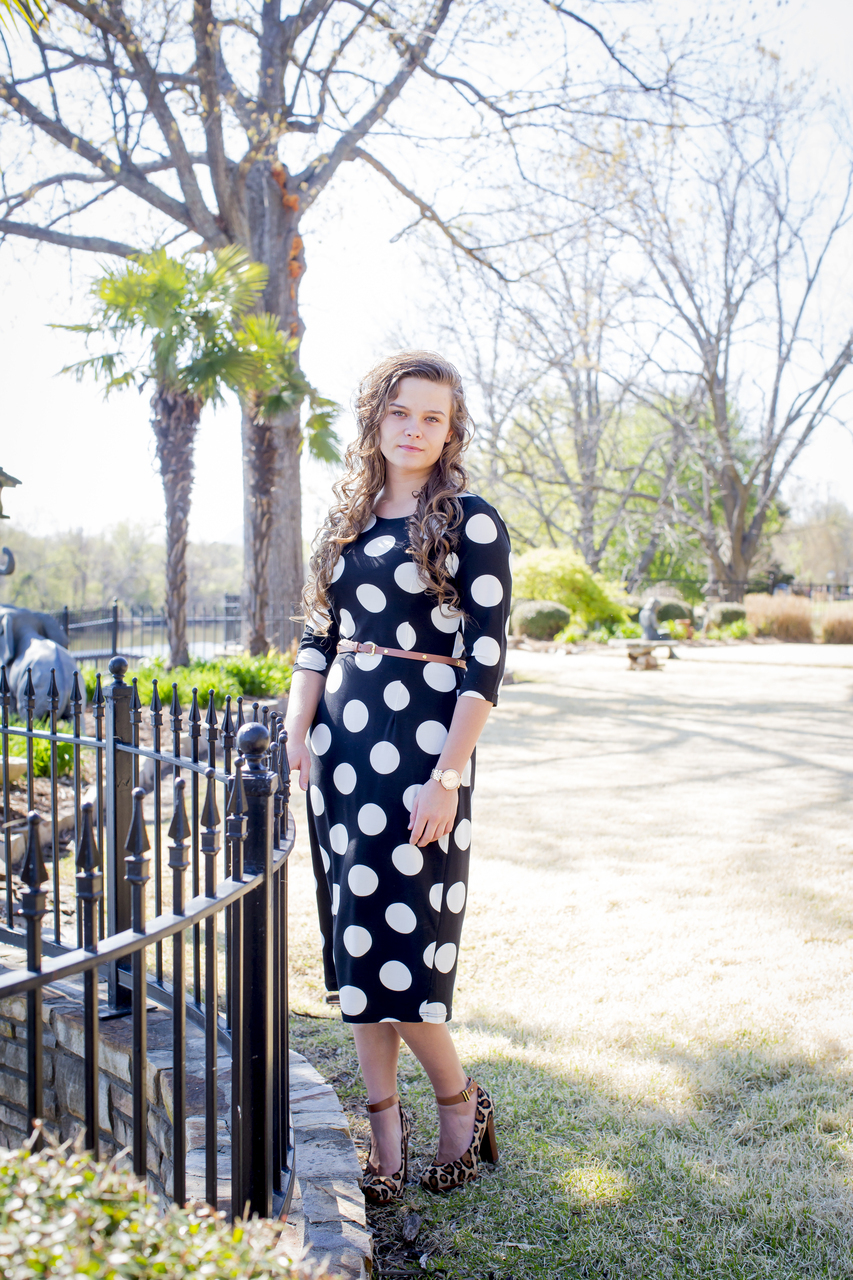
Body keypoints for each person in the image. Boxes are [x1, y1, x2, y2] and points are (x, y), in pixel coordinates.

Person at [285, 351, 511, 1202]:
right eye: (399, 413)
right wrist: (297, 728)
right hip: (342, 752)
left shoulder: (469, 521)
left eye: (432, 417)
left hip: (420, 752)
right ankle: (384, 1132)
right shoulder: (345, 519)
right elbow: (317, 634)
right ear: (374, 419)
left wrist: (447, 775)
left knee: (401, 950)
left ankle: (459, 1104)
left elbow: (484, 659)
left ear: (450, 432)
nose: (414, 429)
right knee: (355, 946)